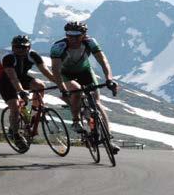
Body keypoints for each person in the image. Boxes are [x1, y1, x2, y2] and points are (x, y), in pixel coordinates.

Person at [49, 21, 121, 154]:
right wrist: (62, 89)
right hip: (65, 74)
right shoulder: (58, 47)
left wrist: (109, 79)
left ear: (84, 35)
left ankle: (108, 140)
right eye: (70, 35)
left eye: (77, 36)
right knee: (76, 90)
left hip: (85, 72)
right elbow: (56, 70)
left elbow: (103, 61)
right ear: (66, 35)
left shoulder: (90, 42)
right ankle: (76, 121)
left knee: (97, 103)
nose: (73, 39)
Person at [0, 35, 57, 147]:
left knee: (40, 85)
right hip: (4, 80)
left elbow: (46, 72)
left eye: (24, 47)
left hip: (21, 77)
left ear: (29, 47)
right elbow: (13, 78)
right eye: (17, 47)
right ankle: (15, 135)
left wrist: (60, 84)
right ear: (13, 48)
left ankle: (34, 112)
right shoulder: (9, 58)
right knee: (15, 106)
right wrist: (21, 91)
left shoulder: (33, 55)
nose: (21, 50)